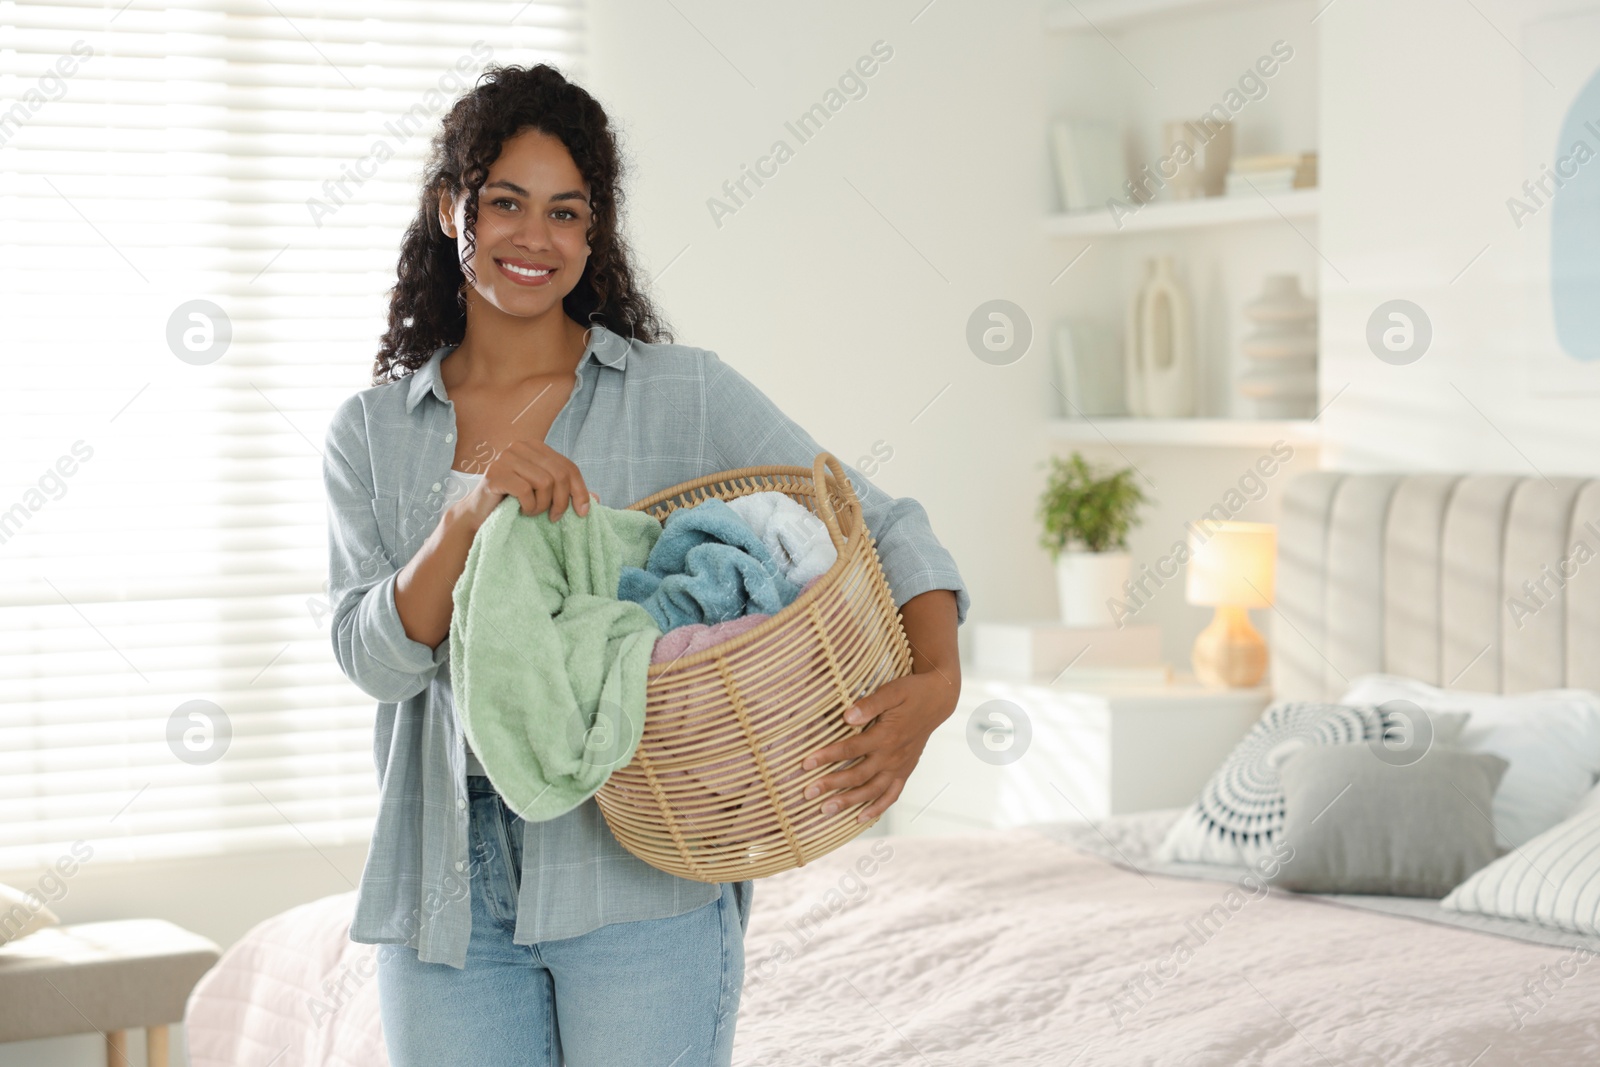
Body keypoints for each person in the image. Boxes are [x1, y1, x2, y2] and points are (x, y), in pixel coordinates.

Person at [321, 62, 970, 1066]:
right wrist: (462, 517)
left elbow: (877, 521)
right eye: (505, 202)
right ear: (452, 206)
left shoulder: (682, 396)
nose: (535, 237)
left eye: (567, 212)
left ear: (593, 235)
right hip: (443, 887)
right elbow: (372, 659)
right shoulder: (370, 433)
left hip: (639, 871)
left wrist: (934, 686)